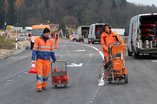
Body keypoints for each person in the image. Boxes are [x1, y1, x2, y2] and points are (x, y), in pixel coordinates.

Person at [31, 28, 56, 92]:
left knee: (46, 73)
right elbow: (34, 50)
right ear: (44, 33)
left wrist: (54, 59)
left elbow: (52, 51)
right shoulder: (38, 39)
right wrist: (33, 58)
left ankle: (44, 85)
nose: (48, 35)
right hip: (39, 59)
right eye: (47, 34)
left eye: (49, 34)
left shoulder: (50, 41)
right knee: (39, 73)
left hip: (47, 60)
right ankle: (39, 86)